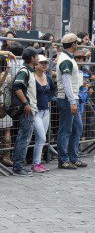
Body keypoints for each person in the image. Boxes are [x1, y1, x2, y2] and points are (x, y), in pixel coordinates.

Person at [56, 33, 87, 169]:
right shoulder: (66, 60)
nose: (78, 45)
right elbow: (67, 83)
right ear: (73, 44)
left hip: (70, 98)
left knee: (76, 128)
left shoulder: (67, 58)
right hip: (68, 99)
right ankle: (64, 159)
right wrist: (72, 102)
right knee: (66, 130)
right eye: (76, 43)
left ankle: (72, 157)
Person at [12, 47, 40, 176]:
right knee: (23, 138)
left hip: (30, 109)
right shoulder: (24, 71)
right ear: (32, 58)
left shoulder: (30, 71)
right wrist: (26, 103)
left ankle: (19, 165)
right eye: (37, 56)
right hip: (27, 110)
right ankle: (18, 166)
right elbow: (17, 87)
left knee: (25, 137)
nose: (39, 58)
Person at [32, 55, 55, 173]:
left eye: (46, 63)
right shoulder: (32, 77)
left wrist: (49, 99)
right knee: (41, 137)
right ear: (36, 64)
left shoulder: (48, 77)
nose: (44, 64)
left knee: (41, 139)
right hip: (35, 111)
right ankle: (35, 163)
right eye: (42, 62)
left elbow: (52, 90)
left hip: (46, 111)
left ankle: (38, 162)